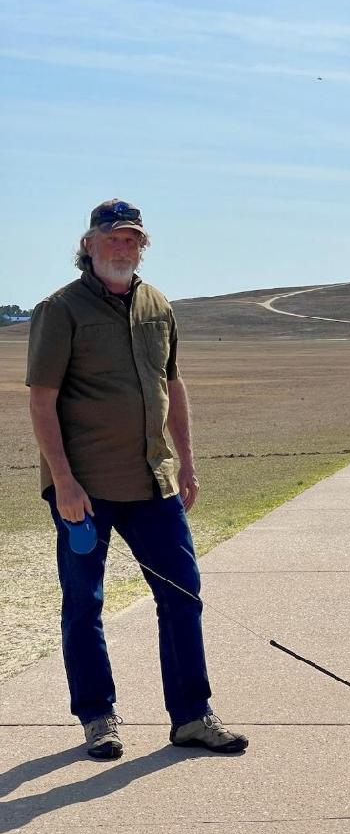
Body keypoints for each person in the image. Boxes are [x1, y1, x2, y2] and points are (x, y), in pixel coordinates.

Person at [26, 199, 248, 759]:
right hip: (86, 489)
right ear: (89, 245)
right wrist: (63, 481)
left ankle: (192, 717)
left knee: (183, 595)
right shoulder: (61, 309)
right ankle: (98, 717)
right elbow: (42, 399)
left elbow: (172, 386)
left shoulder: (157, 305)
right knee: (84, 604)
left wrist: (187, 463)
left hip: (154, 482)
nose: (123, 247)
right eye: (113, 238)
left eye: (132, 239)